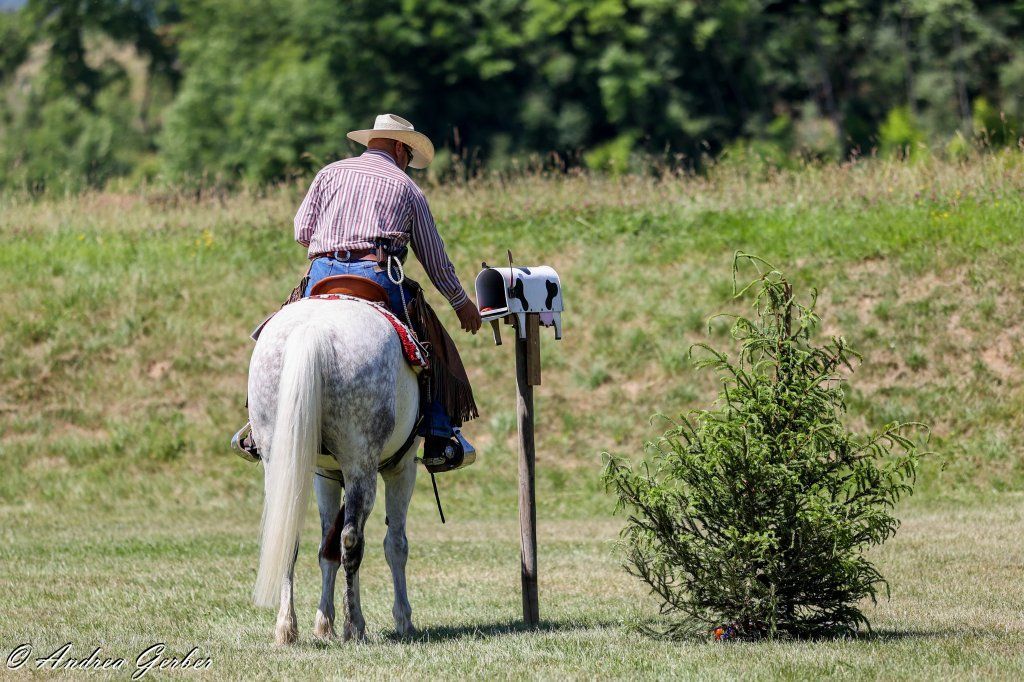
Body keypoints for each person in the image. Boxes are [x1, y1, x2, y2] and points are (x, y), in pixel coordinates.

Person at [232, 113, 481, 469]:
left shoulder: (329, 173)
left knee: (278, 332)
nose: (408, 164)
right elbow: (434, 259)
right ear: (400, 148)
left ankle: (258, 428)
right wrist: (460, 303)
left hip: (321, 273)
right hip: (378, 275)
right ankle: (441, 435)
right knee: (429, 344)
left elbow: (302, 231)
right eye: (408, 156)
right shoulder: (407, 189)